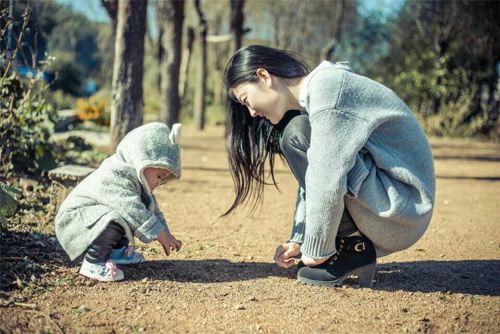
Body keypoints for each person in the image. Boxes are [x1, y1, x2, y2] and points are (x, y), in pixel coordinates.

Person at [222, 45, 435, 287]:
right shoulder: (320, 95)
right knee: (297, 133)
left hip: (402, 208)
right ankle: (349, 246)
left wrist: (317, 250)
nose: (251, 113)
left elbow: (327, 178)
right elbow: (315, 177)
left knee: (296, 134)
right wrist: (301, 239)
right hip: (394, 201)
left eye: (246, 100)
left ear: (264, 76)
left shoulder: (329, 90)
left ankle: (353, 248)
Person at [55, 122, 183, 282]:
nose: (159, 183)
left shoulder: (138, 180)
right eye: (159, 176)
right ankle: (93, 261)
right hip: (75, 222)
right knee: (121, 215)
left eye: (163, 179)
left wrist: (166, 232)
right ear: (142, 159)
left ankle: (116, 252)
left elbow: (152, 209)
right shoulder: (116, 173)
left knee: (125, 215)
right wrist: (159, 234)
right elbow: (129, 207)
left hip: (91, 220)